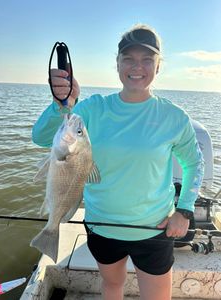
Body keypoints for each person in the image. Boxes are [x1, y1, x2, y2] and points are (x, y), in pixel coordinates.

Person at [32, 24, 204, 300]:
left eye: (147, 59)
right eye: (129, 59)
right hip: (102, 227)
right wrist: (61, 104)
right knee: (112, 286)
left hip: (154, 228)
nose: (138, 67)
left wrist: (183, 210)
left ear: (158, 67)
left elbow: (195, 164)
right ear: (118, 64)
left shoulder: (174, 117)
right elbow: (41, 138)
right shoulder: (93, 108)